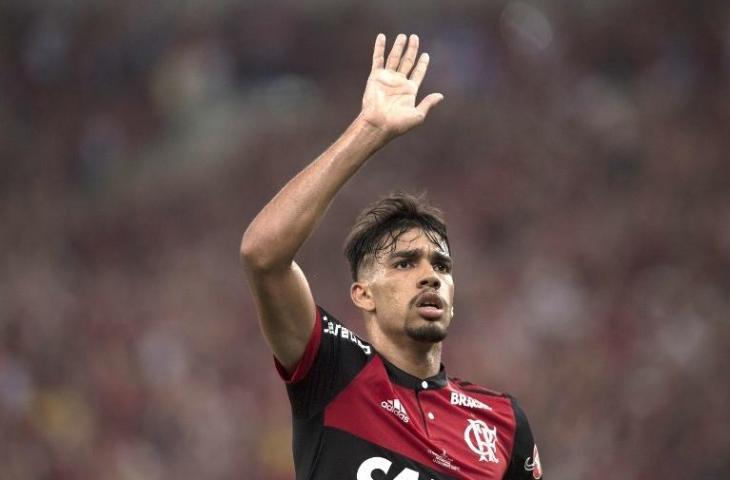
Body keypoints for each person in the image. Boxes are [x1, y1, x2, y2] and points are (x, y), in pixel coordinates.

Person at [241, 33, 543, 480]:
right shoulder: (333, 370)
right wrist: (370, 130)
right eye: (405, 263)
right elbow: (262, 253)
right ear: (363, 294)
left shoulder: (502, 422)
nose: (429, 276)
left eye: (441, 265)